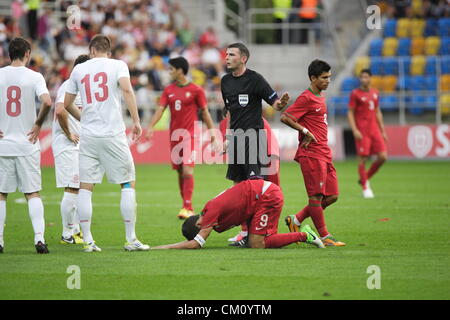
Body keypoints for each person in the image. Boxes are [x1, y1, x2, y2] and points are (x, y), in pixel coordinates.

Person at [64, 34, 149, 252]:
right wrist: (137, 121)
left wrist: (84, 118)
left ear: (91, 50)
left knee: (85, 188)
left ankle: (89, 241)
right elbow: (127, 90)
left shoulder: (79, 69)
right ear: (108, 51)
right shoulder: (118, 64)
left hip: (89, 136)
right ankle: (130, 239)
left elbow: (66, 103)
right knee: (127, 183)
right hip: (113, 134)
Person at [280, 59, 345, 247]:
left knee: (332, 196)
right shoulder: (306, 97)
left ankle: (296, 220)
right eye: (324, 78)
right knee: (315, 197)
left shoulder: (320, 97)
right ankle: (325, 236)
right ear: (313, 78)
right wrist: (305, 131)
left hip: (325, 152)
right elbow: (285, 117)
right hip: (312, 153)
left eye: (329, 77)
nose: (328, 81)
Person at [151, 179, 324, 249]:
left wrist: (165, 247)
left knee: (257, 244)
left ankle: (305, 235)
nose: (206, 233)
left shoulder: (210, 213)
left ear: (198, 224)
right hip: (260, 198)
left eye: (202, 230)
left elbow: (196, 244)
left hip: (267, 196)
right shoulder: (210, 211)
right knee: (260, 241)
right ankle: (301, 234)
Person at [146, 57, 217, 219]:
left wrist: (212, 132)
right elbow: (160, 110)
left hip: (190, 135)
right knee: (179, 171)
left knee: (187, 170)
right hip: (174, 136)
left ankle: (188, 206)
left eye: (171, 69)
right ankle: (185, 205)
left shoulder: (196, 90)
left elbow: (205, 112)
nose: (169, 72)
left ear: (180, 70)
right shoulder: (168, 90)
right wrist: (150, 127)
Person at [0, 37, 52, 254]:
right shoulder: (35, 76)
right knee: (32, 193)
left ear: (9, 53)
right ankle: (39, 240)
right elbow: (48, 102)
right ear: (27, 54)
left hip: (3, 145)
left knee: (1, 194)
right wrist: (39, 124)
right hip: (27, 144)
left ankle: (0, 241)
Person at [221, 42, 289, 185]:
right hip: (236, 139)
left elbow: (275, 103)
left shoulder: (256, 79)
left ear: (243, 59)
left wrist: (281, 104)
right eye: (226, 54)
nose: (226, 57)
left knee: (256, 183)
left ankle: (259, 208)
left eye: (231, 54)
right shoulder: (225, 81)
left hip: (255, 138)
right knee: (238, 184)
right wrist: (227, 138)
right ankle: (243, 209)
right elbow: (230, 112)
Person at [219, 109, 281, 243]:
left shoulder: (249, 121)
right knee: (248, 193)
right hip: (262, 155)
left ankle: (266, 233)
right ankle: (248, 232)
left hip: (266, 156)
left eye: (228, 117)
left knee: (263, 196)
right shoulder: (247, 120)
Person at [52, 54, 90, 245]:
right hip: (68, 145)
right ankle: (67, 234)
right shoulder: (68, 86)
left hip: (79, 146)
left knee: (79, 188)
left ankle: (74, 231)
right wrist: (68, 134)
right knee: (73, 187)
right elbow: (59, 110)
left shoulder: (81, 89)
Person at [347, 69, 388, 199]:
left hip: (374, 130)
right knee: (363, 158)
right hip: (362, 131)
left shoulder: (375, 93)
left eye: (366, 77)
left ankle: (365, 178)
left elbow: (377, 112)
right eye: (362, 77)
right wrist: (355, 130)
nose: (364, 79)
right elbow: (350, 112)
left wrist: (382, 130)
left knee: (383, 157)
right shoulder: (355, 94)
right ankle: (365, 188)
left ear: (370, 78)